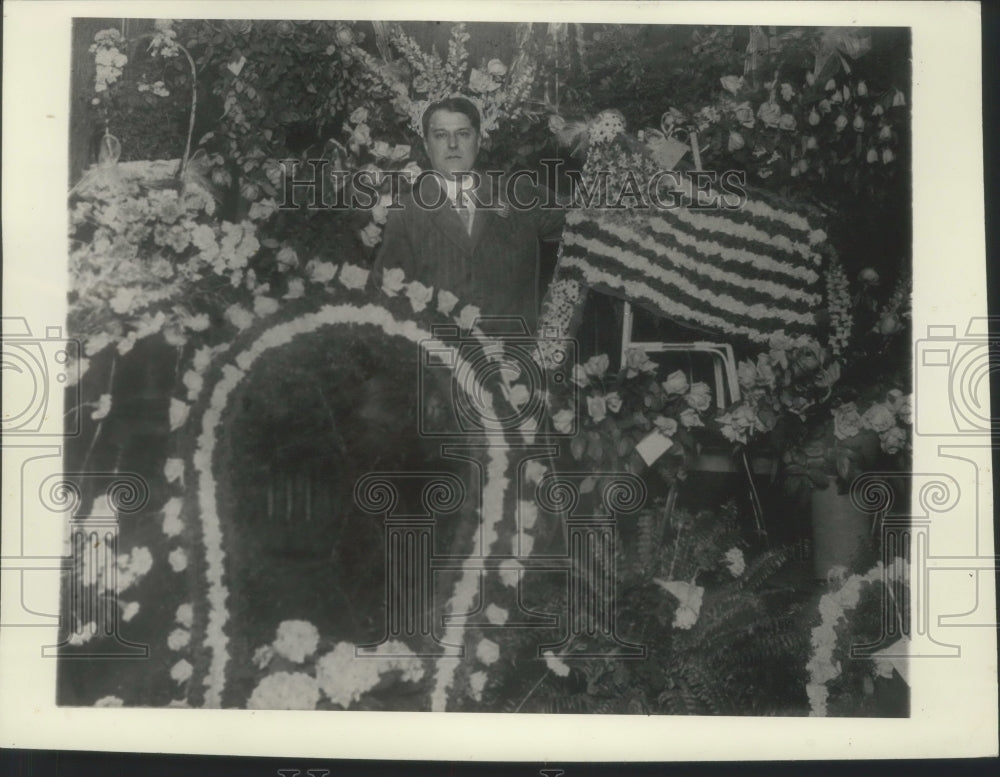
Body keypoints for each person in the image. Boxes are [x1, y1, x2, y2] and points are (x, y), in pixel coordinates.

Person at [372, 97, 564, 333]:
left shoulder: (520, 195)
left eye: (463, 134)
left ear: (479, 139)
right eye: (441, 135)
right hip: (439, 361)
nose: (452, 144)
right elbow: (386, 297)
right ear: (425, 144)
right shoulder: (406, 213)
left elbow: (587, 227)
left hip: (514, 360)